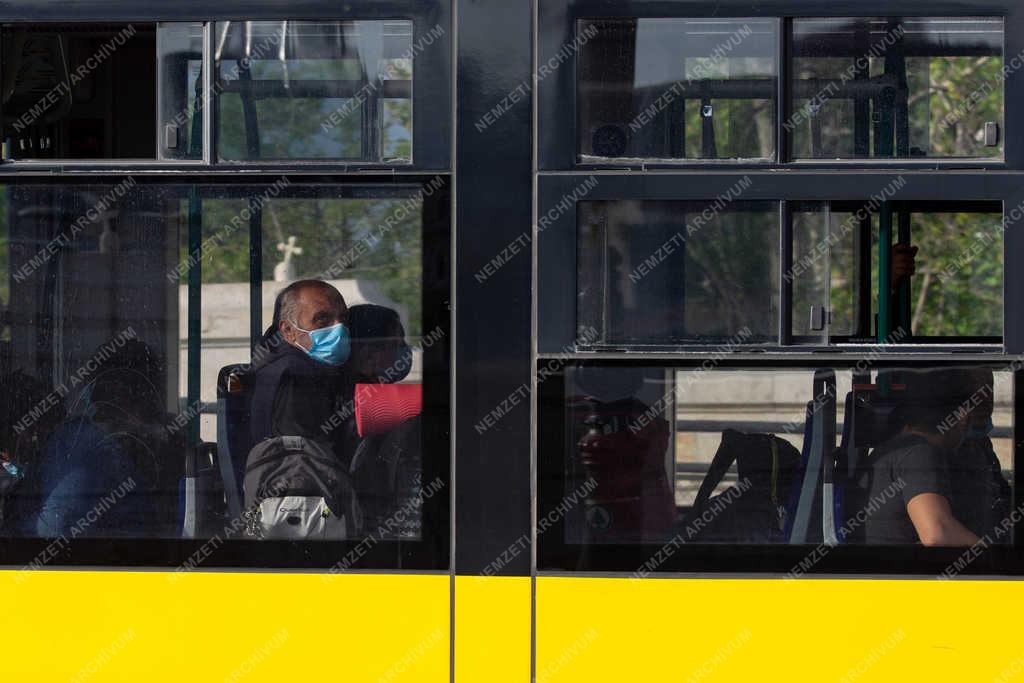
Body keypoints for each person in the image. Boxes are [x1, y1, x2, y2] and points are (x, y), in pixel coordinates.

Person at [863, 368, 985, 546]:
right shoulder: (918, 453)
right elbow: (938, 534)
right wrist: (1001, 560)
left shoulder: (897, 449)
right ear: (963, 417)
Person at [249, 280, 352, 463]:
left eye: (343, 319)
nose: (339, 328)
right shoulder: (295, 377)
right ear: (289, 330)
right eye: (323, 319)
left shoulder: (301, 367)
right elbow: (303, 464)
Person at [946, 369, 1012, 540]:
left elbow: (1004, 497)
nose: (986, 404)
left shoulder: (982, 445)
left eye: (989, 393)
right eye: (976, 397)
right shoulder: (946, 450)